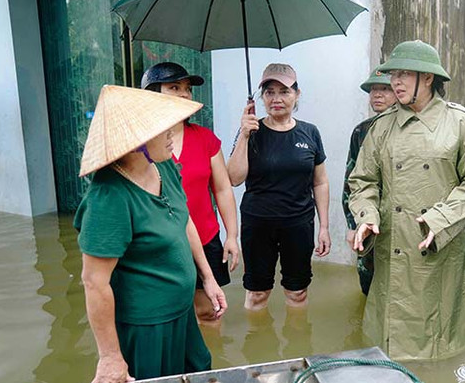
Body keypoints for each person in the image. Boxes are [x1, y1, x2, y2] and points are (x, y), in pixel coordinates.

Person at [348, 40, 465, 360]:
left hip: (439, 245)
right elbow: (362, 181)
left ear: (427, 78)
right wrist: (367, 217)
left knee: (438, 350)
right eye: (393, 75)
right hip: (392, 246)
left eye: (404, 74)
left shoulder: (459, 122)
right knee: (386, 350)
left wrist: (439, 219)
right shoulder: (381, 127)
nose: (395, 82)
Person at [75, 85, 228, 382]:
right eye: (163, 128)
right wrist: (110, 357)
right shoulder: (109, 197)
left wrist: (208, 278)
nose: (173, 132)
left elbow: (183, 220)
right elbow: (94, 282)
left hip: (182, 312)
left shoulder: (164, 165)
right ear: (136, 141)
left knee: (199, 371)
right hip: (147, 327)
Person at [227, 63, 330, 311]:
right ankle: (256, 336)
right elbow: (233, 178)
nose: (277, 99)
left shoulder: (310, 132)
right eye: (269, 92)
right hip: (258, 223)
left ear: (297, 94)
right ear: (261, 97)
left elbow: (320, 182)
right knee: (257, 293)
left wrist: (324, 227)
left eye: (284, 91)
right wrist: (244, 135)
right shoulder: (251, 131)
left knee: (297, 293)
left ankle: (297, 335)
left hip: (298, 223)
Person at [141, 62, 240, 323]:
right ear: (152, 94)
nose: (185, 94)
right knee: (167, 315)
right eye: (175, 88)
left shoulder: (205, 138)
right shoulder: (139, 146)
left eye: (187, 89)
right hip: (161, 243)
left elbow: (222, 188)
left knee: (209, 312)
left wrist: (232, 235)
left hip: (205, 238)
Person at [343, 68, 397, 295]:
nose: (377, 94)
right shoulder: (361, 131)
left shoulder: (410, 131)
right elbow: (351, 182)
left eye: (384, 89)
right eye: (373, 89)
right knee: (368, 279)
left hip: (399, 219)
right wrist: (352, 225)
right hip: (367, 219)